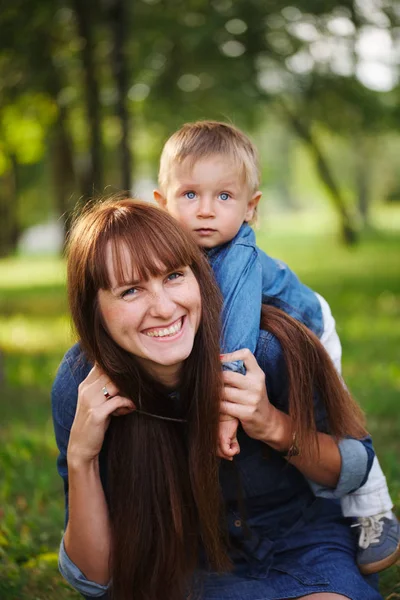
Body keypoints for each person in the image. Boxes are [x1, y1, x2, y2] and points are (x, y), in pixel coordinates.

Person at [53, 197, 383, 600]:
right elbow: (94, 577)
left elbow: (351, 470)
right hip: (183, 571)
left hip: (300, 548)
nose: (163, 307)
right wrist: (81, 457)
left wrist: (270, 424)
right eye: (131, 290)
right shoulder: (81, 389)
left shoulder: (268, 350)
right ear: (94, 311)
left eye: (174, 276)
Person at [153, 120, 400, 574]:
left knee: (336, 412)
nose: (206, 211)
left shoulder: (238, 252)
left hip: (310, 329)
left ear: (252, 208)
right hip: (274, 337)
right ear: (160, 203)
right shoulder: (179, 253)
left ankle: (373, 508)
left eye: (224, 197)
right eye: (190, 195)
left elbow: (237, 335)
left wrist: (225, 413)